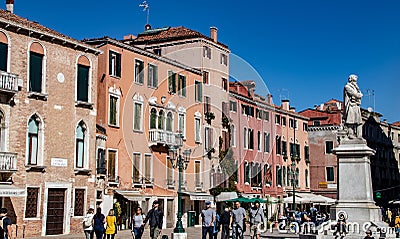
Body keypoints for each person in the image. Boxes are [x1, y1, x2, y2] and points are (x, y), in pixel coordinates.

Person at [343, 74, 363, 138]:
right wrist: (358, 95)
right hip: (351, 106)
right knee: (350, 121)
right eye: (355, 77)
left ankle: (359, 135)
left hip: (356, 105)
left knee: (359, 122)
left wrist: (358, 95)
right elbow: (355, 94)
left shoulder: (356, 87)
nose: (356, 77)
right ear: (351, 79)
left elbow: (358, 95)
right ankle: (350, 134)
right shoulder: (347, 87)